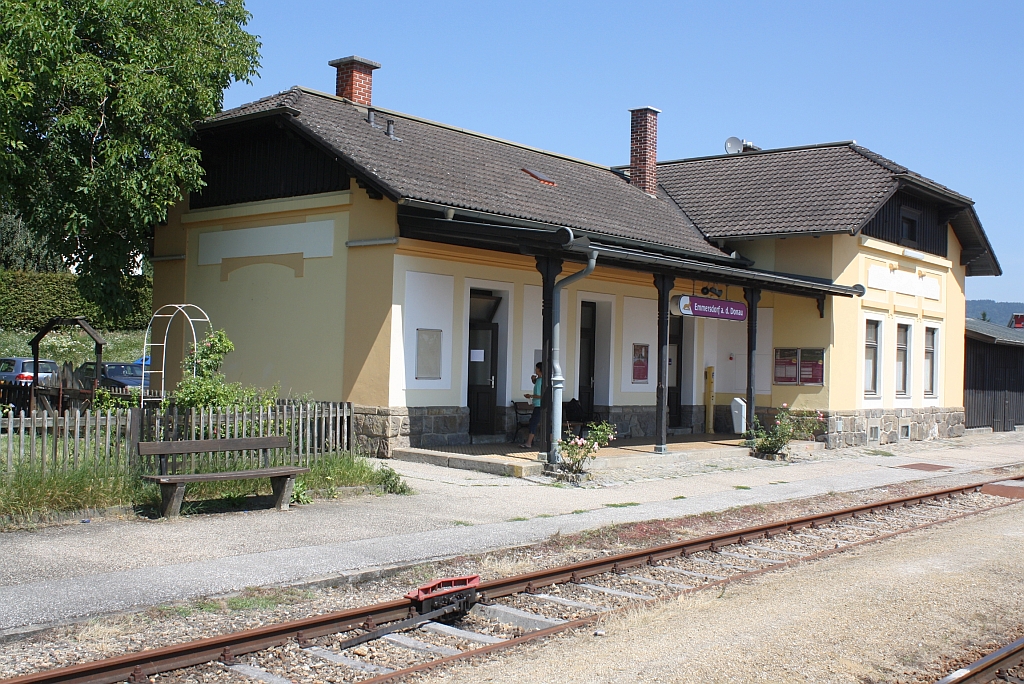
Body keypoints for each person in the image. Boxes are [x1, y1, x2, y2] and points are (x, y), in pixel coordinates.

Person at [521, 362, 543, 449]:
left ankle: (529, 443)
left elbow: (541, 395)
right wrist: (533, 380)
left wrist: (530, 396)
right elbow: (537, 385)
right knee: (534, 422)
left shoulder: (542, 381)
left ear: (539, 369)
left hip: (540, 405)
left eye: (536, 368)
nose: (535, 370)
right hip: (538, 405)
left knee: (533, 423)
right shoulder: (540, 380)